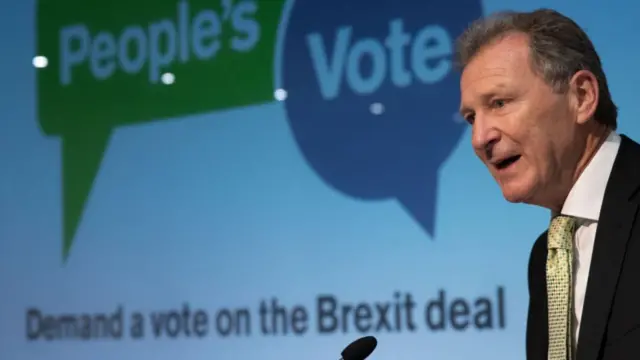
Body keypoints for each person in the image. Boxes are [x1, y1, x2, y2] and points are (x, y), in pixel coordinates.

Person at [455, 8, 640, 360]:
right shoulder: (547, 255)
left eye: (500, 103)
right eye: (471, 118)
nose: (479, 138)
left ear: (582, 97)